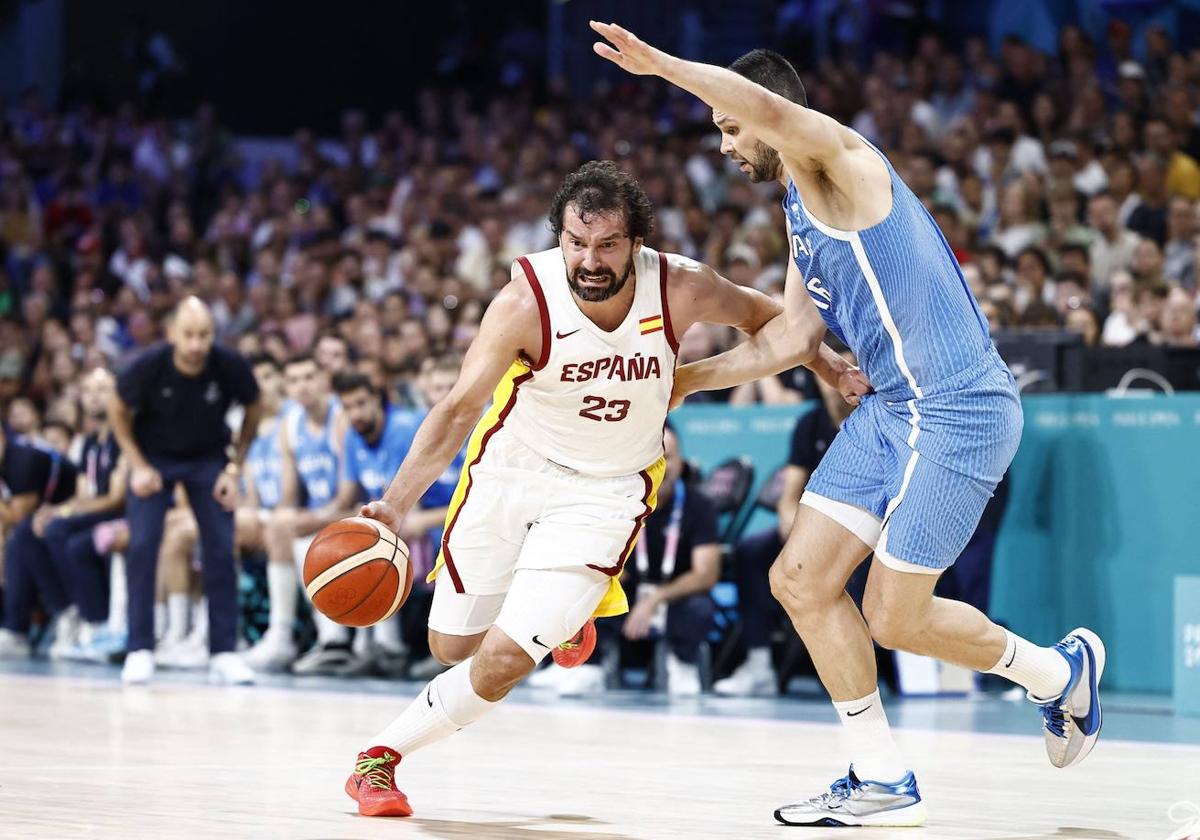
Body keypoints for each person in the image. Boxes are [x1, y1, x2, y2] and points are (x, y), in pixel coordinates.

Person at [591, 24, 1104, 827]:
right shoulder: (800, 205)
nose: (724, 145)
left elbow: (758, 101)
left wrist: (664, 68)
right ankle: (881, 778)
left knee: (895, 618)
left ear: (769, 113)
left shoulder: (840, 160)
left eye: (729, 127)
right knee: (798, 579)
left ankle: (1056, 673)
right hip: (893, 410)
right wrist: (681, 384)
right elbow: (793, 340)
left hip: (960, 410)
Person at [342, 160, 868, 817]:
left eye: (608, 244)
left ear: (637, 242)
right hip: (512, 469)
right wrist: (394, 504)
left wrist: (830, 367)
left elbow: (770, 318)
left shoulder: (680, 286)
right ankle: (566, 612)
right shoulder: (523, 301)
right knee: (451, 648)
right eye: (576, 242)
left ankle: (378, 759)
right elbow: (455, 409)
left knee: (504, 661)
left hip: (608, 491)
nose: (589, 260)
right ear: (559, 236)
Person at [108, 296, 261, 686]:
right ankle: (140, 648)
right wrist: (138, 466)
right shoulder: (147, 367)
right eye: (189, 335)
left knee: (221, 546)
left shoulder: (228, 366)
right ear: (172, 334)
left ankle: (224, 652)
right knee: (142, 544)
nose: (196, 345)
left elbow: (254, 405)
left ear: (213, 335)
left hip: (208, 459)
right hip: (154, 458)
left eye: (204, 335)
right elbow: (116, 410)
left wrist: (234, 467)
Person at [716, 348, 857, 697]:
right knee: (752, 552)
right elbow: (790, 493)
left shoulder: (875, 420)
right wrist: (794, 526)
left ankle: (851, 670)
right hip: (813, 529)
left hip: (861, 533)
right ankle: (759, 662)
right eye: (830, 372)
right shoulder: (810, 423)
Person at [256, 352, 359, 675]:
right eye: (295, 380)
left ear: (323, 380)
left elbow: (349, 494)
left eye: (309, 377)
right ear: (286, 388)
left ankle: (329, 639)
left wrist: (310, 518)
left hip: (353, 512)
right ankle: (285, 634)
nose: (303, 386)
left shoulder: (341, 419)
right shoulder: (290, 426)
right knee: (281, 525)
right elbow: (289, 495)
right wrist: (279, 517)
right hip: (320, 517)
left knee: (296, 531)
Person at [0, 427, 79, 657]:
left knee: (23, 536)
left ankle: (25, 626)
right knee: (19, 539)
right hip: (49, 520)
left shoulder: (24, 459)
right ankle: (14, 627)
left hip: (75, 512)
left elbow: (18, 516)